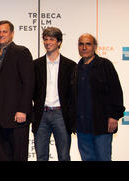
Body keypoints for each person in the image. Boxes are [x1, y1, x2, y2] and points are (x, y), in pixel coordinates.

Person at [72, 33, 125, 161]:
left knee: (103, 158)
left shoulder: (105, 65)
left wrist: (114, 116)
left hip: (102, 125)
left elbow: (116, 91)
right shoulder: (75, 69)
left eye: (88, 44)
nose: (84, 47)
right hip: (82, 126)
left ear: (95, 47)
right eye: (81, 44)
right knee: (87, 158)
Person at [0, 20, 34, 161]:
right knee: (3, 157)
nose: (1, 34)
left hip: (17, 116)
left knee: (19, 156)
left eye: (4, 31)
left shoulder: (21, 52)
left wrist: (23, 110)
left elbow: (29, 83)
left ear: (12, 34)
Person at [32, 27, 76, 161]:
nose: (47, 42)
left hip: (61, 116)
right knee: (41, 157)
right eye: (45, 39)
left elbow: (73, 94)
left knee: (63, 156)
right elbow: (31, 91)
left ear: (59, 42)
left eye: (51, 39)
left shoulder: (70, 65)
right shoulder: (35, 64)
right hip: (41, 116)